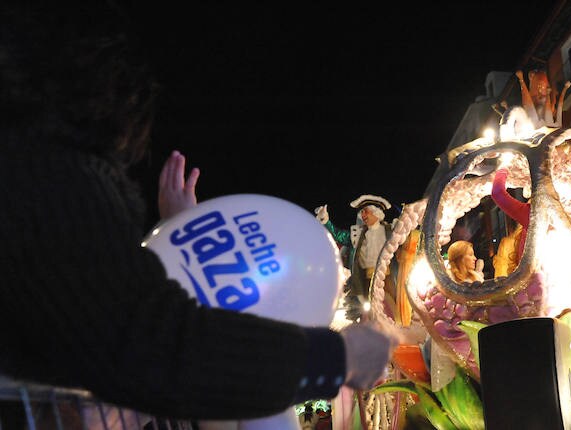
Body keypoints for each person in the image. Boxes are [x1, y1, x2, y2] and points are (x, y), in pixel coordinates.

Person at [0, 1, 394, 423]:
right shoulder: (42, 170)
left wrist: (179, 231)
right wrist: (336, 358)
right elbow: (150, 343)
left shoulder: (28, 168)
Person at [315, 195, 399, 321]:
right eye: (362, 212)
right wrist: (326, 221)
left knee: (389, 308)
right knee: (368, 311)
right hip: (365, 280)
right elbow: (339, 235)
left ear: (377, 213)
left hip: (387, 279)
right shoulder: (358, 234)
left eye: (366, 211)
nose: (363, 215)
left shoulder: (390, 230)